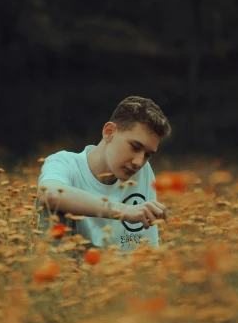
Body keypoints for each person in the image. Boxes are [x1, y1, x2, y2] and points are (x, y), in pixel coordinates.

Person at [37, 96, 171, 251]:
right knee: (51, 205)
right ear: (109, 132)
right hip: (71, 268)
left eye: (148, 155)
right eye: (135, 147)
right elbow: (49, 194)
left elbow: (149, 249)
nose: (139, 162)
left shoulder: (144, 172)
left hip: (122, 270)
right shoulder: (64, 162)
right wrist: (124, 211)